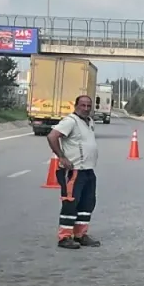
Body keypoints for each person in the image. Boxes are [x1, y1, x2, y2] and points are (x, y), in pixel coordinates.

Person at [47, 95, 101, 250]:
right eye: (82, 105)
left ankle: (80, 235)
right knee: (70, 203)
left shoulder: (89, 121)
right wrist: (62, 157)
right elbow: (52, 136)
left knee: (87, 203)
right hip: (74, 170)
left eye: (88, 106)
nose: (85, 108)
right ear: (76, 105)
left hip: (88, 170)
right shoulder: (71, 121)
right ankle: (64, 237)